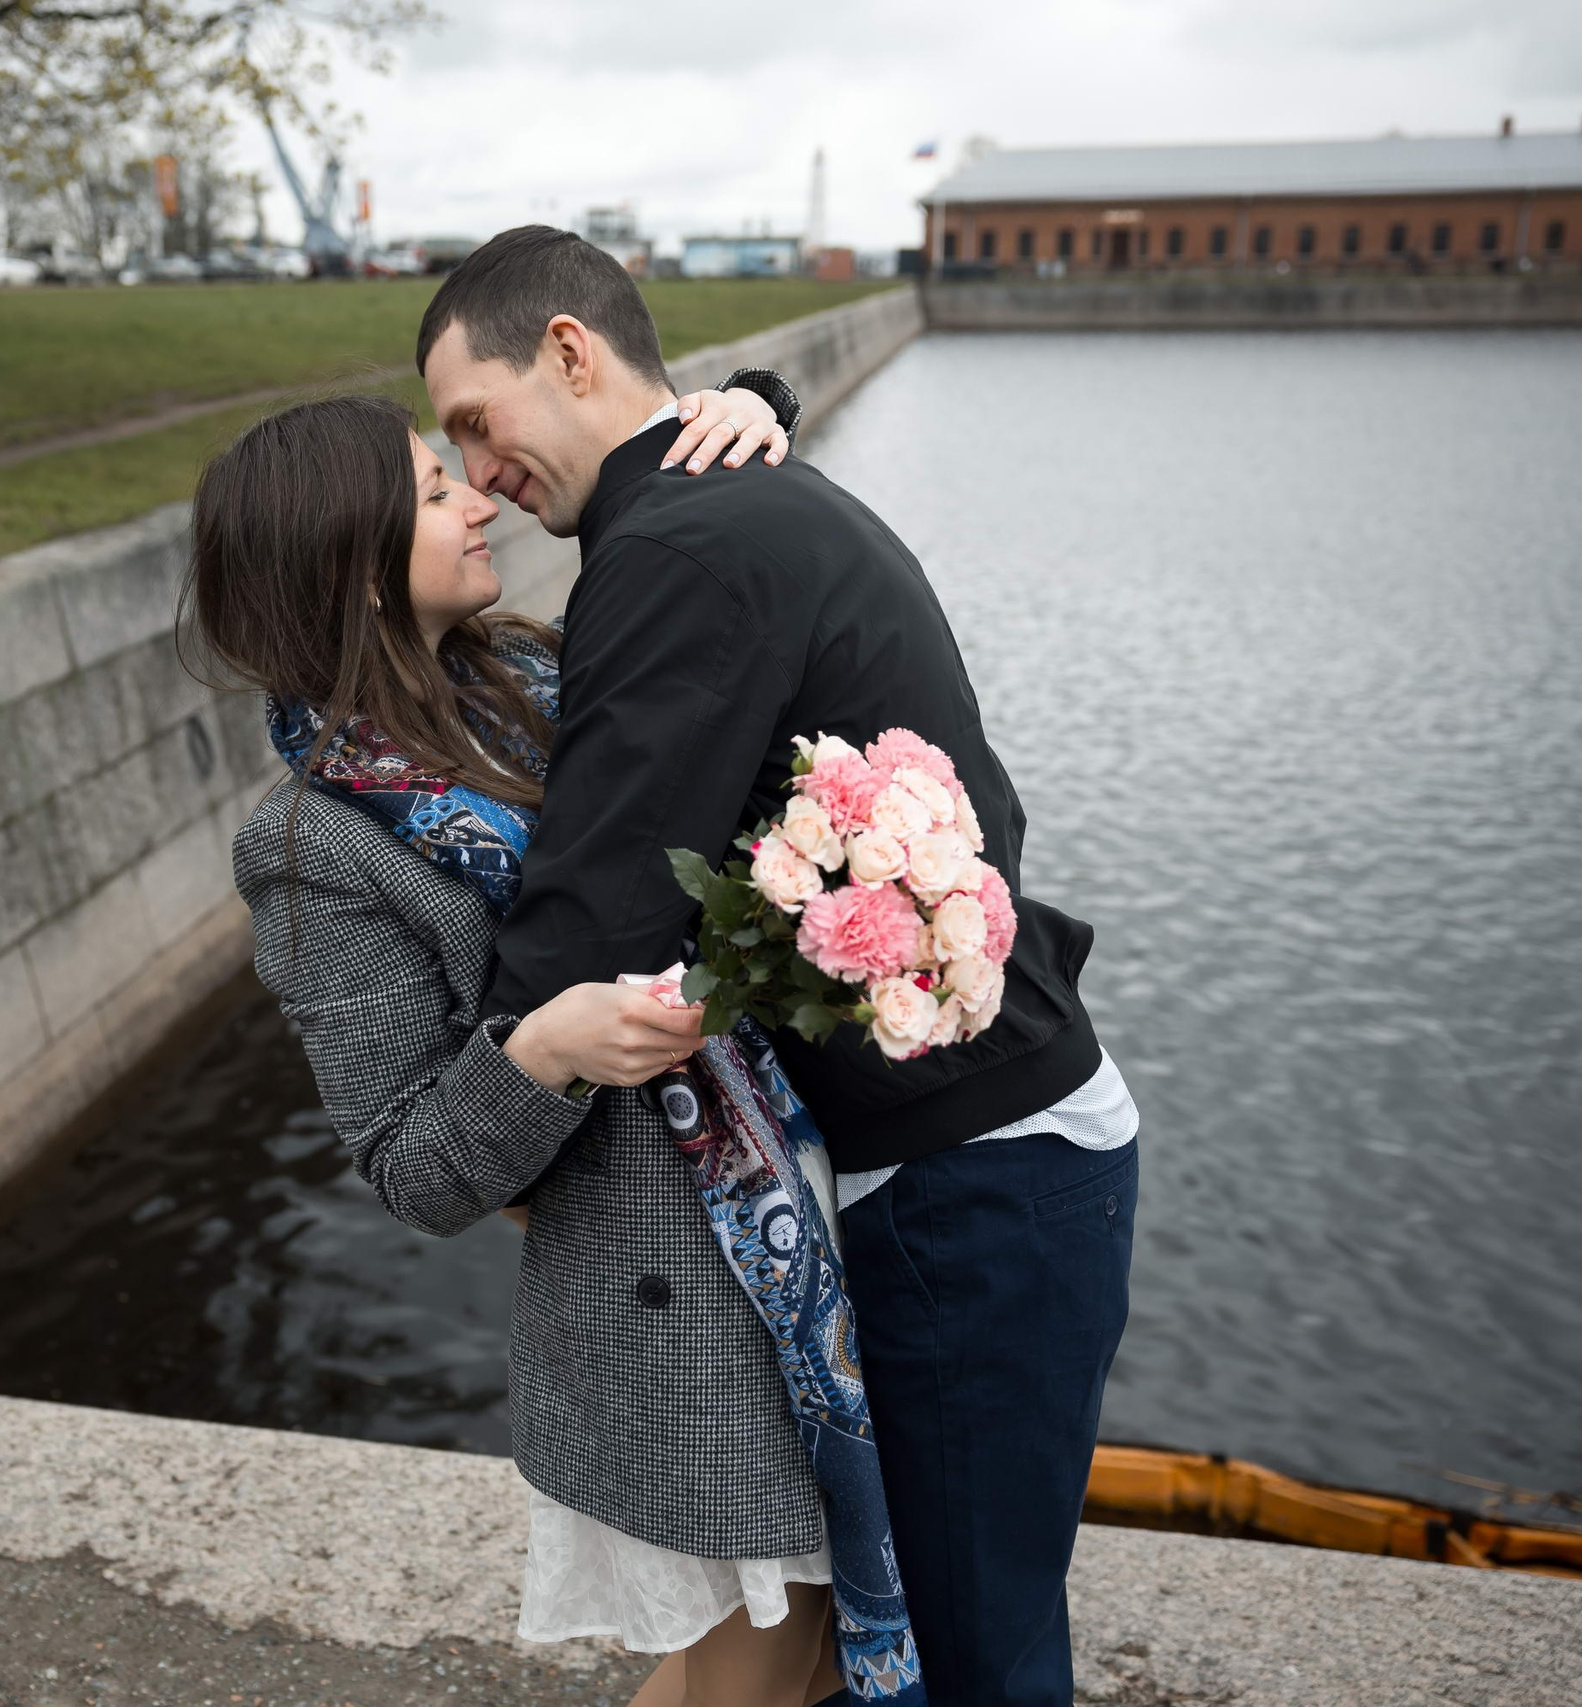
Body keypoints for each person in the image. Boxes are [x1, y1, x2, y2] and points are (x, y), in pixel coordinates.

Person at [417, 227, 1140, 1707]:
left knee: (967, 1663)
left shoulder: (676, 548)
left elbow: (597, 909)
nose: (482, 475)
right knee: (934, 1642)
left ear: (568, 351)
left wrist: (489, 1118)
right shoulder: (737, 494)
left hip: (967, 1177)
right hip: (1008, 1145)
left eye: (478, 426)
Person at [194, 383, 856, 1706]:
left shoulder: (543, 668)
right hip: (658, 1284)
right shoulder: (312, 848)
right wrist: (541, 1046)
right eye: (436, 491)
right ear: (360, 576)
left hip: (792, 1202)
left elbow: (715, 665)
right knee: (767, 1655)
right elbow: (413, 1167)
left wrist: (733, 422)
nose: (478, 494)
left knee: (798, 1642)